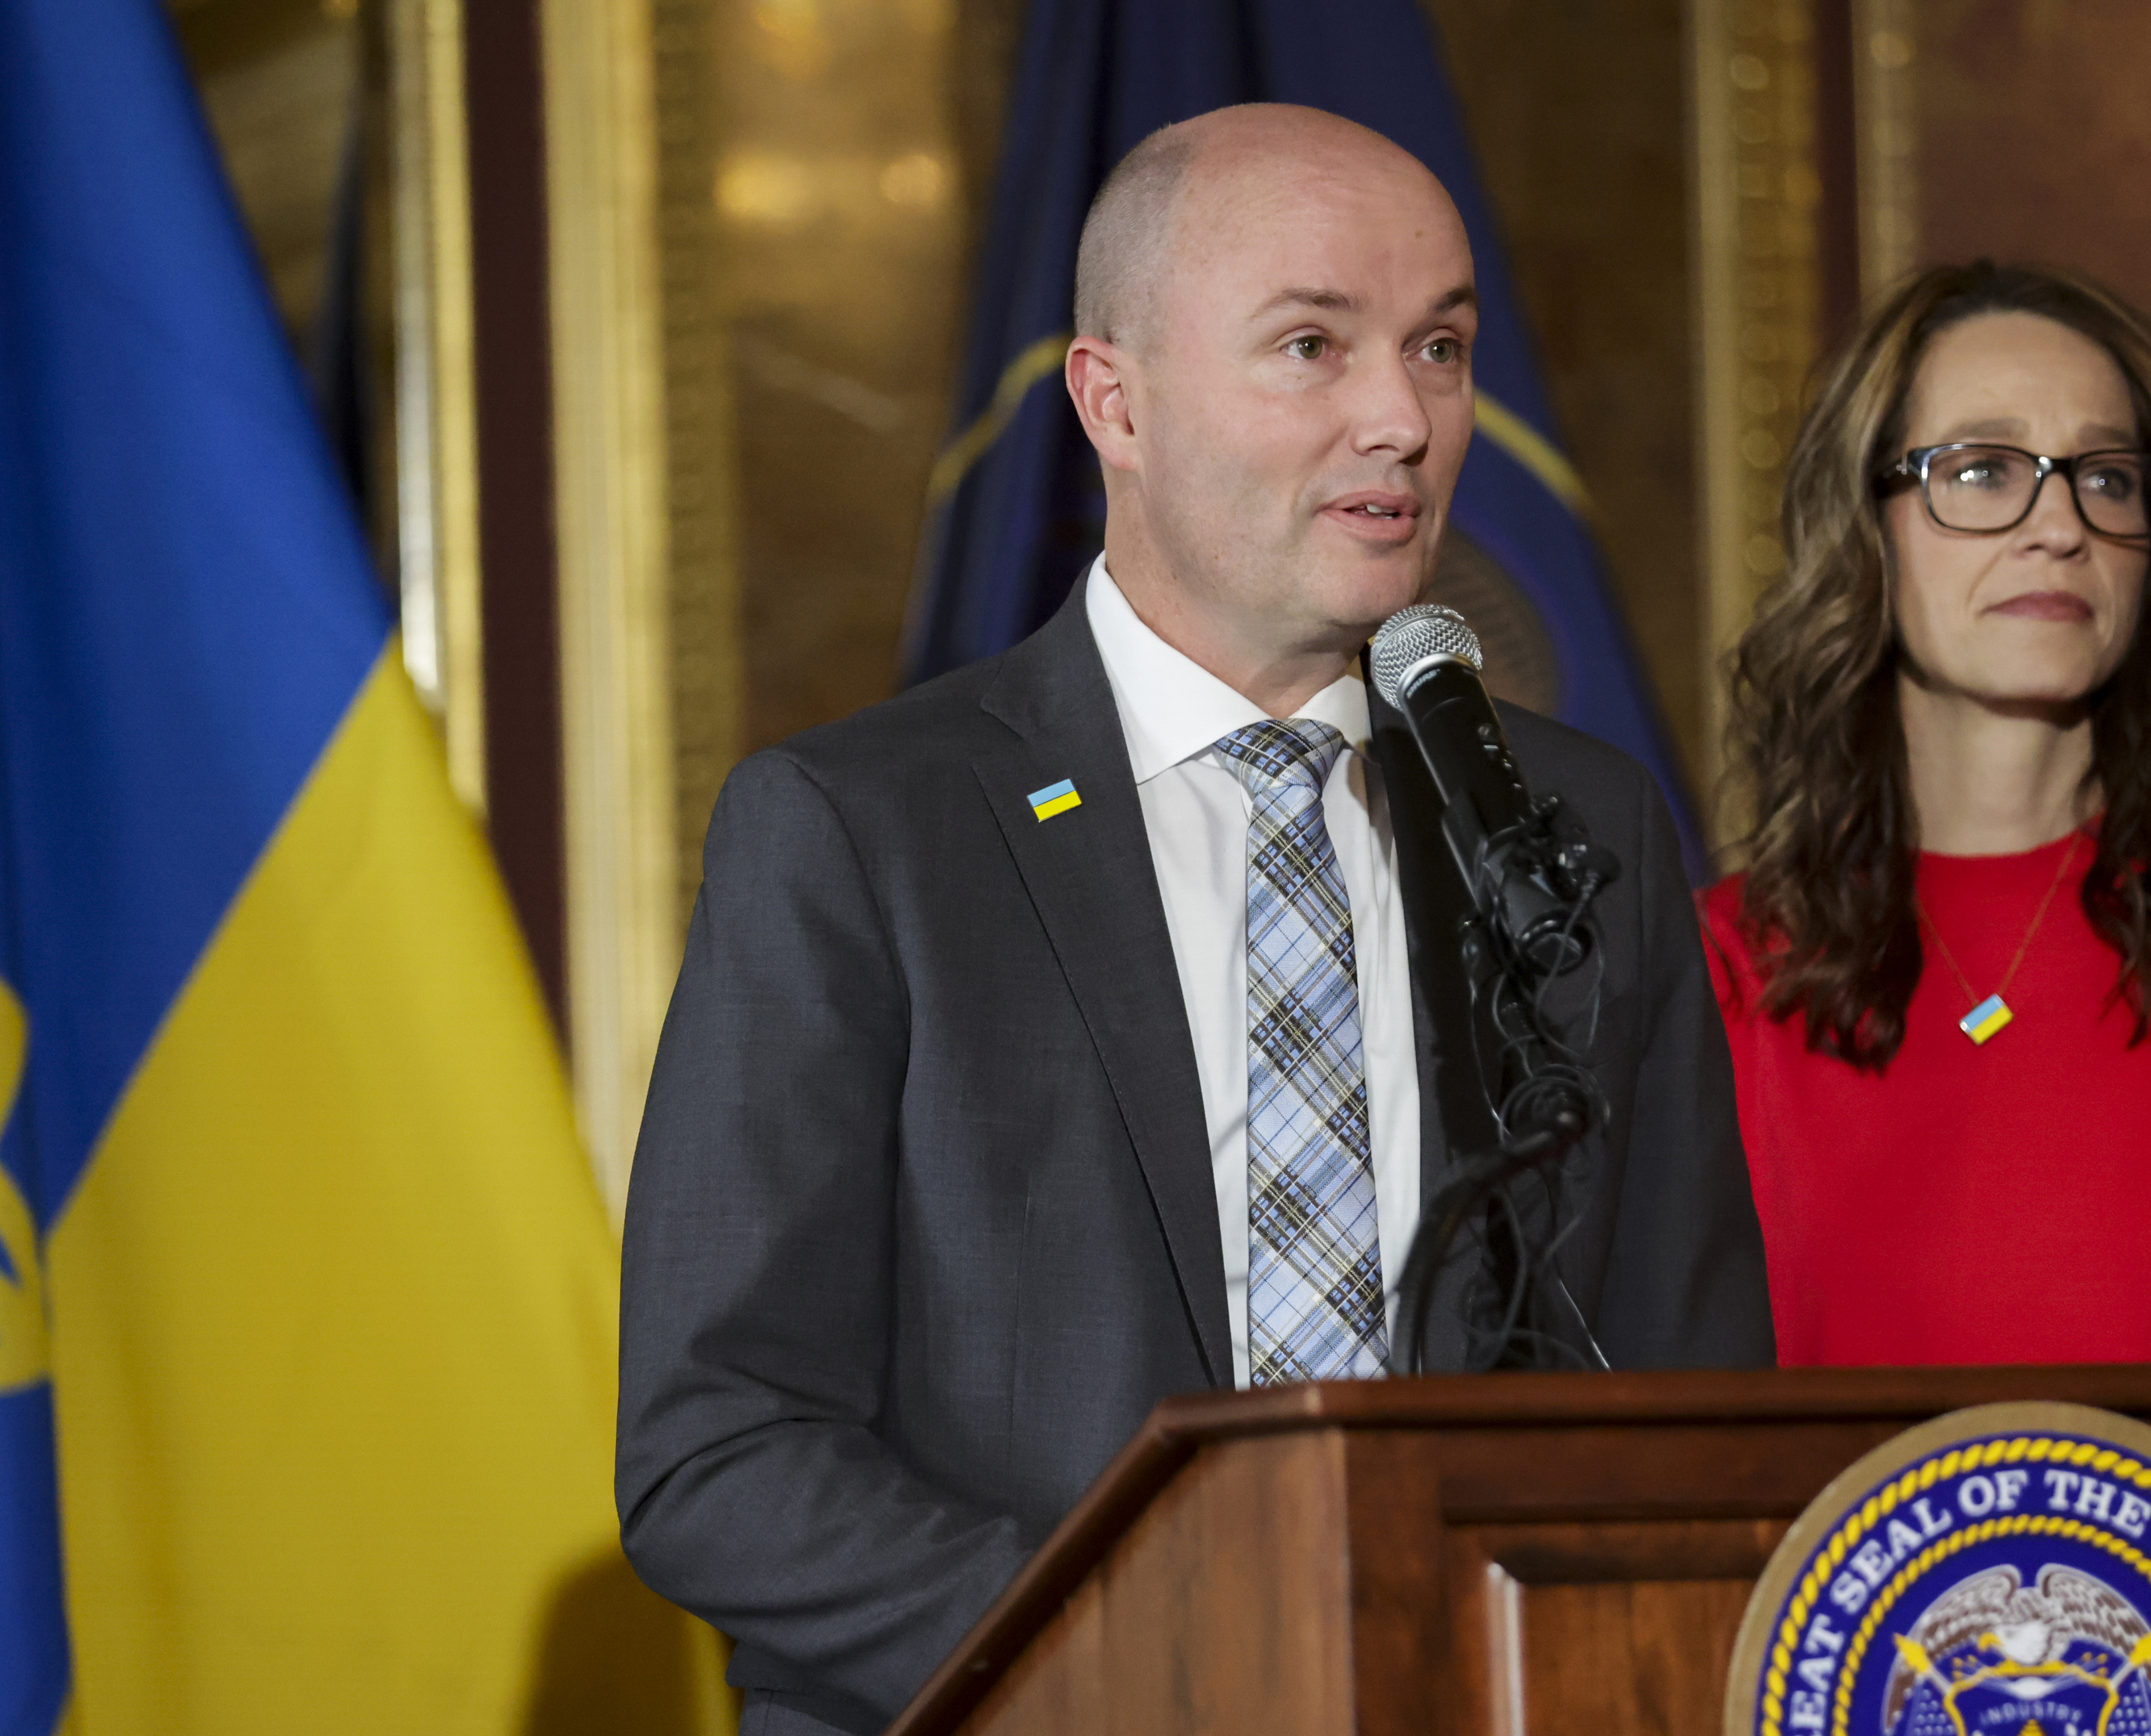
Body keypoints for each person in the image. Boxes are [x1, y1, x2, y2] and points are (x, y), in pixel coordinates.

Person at [618, 103, 1772, 1735]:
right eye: (1314, 343)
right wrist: (1165, 1653)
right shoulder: (859, 832)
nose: (1406, 416)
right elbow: (718, 1444)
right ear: (1117, 400)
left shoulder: (1575, 829)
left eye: (1440, 346)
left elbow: (1693, 1405)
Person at [1701, 260, 2151, 1367]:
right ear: (1865, 527)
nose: (2059, 525)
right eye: (1983, 470)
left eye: (2109, 478)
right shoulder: (1721, 966)